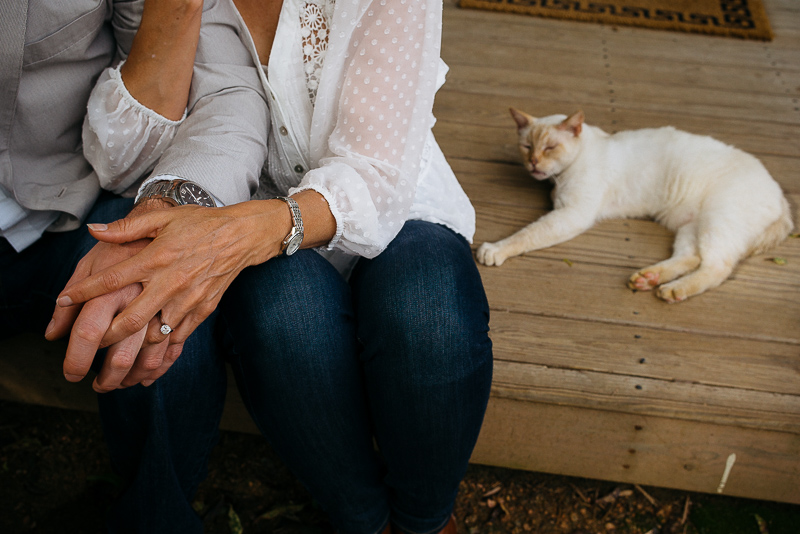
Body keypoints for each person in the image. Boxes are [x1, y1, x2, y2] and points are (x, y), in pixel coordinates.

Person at [49, 0, 494, 532]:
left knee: (429, 314)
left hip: (381, 192)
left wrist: (238, 235)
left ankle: (426, 520)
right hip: (220, 196)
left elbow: (375, 170)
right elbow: (121, 165)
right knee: (283, 315)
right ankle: (365, 519)